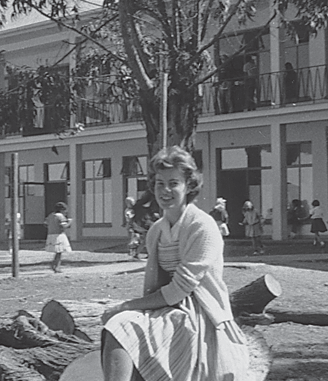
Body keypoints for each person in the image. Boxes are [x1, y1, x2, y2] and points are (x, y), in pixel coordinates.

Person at [101, 146, 249, 381]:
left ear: (188, 186)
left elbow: (181, 288)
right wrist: (137, 309)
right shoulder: (156, 231)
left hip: (200, 314)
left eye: (173, 183)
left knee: (124, 323)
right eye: (160, 183)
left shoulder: (203, 226)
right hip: (167, 307)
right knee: (122, 327)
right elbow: (153, 286)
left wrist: (127, 305)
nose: (165, 190)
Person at [44, 202, 72, 273]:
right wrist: (69, 222)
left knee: (57, 251)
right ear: (62, 209)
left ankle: (55, 265)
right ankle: (56, 266)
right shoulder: (60, 216)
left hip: (50, 234)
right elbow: (64, 226)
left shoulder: (50, 215)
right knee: (59, 251)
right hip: (59, 235)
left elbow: (45, 224)